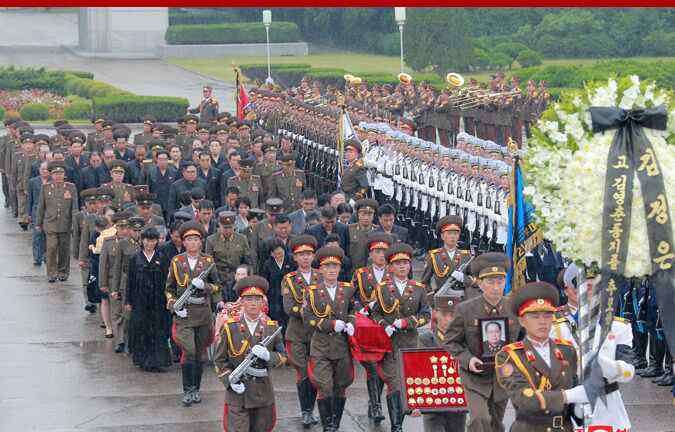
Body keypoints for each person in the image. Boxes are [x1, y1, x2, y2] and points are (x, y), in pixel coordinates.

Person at [551, 264, 636, 431]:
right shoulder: (550, 326)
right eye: (582, 285)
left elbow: (628, 372)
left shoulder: (618, 326)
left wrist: (603, 363)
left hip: (607, 408)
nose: (588, 290)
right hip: (566, 405)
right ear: (567, 289)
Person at [444, 252, 521, 432]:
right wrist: (468, 360)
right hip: (474, 378)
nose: (496, 287)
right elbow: (451, 342)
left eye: (500, 281)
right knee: (479, 419)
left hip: (503, 378)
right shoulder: (465, 309)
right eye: (490, 282)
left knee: (496, 424)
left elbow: (523, 341)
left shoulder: (514, 309)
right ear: (479, 283)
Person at [495, 281, 582, 432]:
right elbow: (524, 398)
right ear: (522, 321)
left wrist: (582, 408)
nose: (542, 322)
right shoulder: (509, 356)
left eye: (547, 315)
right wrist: (568, 396)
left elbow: (575, 394)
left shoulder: (567, 350)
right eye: (535, 316)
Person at [213, 275, 287, 432]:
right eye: (248, 299)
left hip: (262, 393)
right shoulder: (230, 327)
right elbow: (219, 360)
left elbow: (283, 357)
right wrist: (229, 380)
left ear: (263, 302)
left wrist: (268, 356)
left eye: (257, 299)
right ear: (242, 302)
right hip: (238, 394)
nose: (253, 303)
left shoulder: (271, 327)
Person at [370, 242, 430, 432]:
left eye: (405, 263)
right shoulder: (382, 289)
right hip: (389, 344)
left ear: (410, 265)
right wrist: (384, 325)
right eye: (398, 263)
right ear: (390, 267)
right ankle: (396, 426)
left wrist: (407, 322)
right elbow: (376, 313)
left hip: (410, 343)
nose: (402, 266)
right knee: (394, 383)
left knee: (407, 385)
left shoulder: (419, 288)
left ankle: (399, 422)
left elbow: (426, 315)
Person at [165, 221, 221, 407]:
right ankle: (187, 390)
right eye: (189, 239)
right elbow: (169, 288)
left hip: (203, 313)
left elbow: (216, 286)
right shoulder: (177, 261)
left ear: (201, 242)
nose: (192, 242)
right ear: (183, 242)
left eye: (196, 239)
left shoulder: (208, 262)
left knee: (199, 354)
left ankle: (196, 388)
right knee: (188, 351)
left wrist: (204, 286)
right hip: (184, 315)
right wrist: (173, 304)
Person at [303, 246, 356, 432]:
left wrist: (351, 323)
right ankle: (328, 427)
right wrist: (330, 325)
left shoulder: (348, 289)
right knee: (325, 386)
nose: (332, 270)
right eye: (328, 266)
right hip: (321, 346)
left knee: (341, 386)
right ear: (321, 270)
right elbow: (308, 318)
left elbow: (352, 311)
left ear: (340, 268)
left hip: (341, 346)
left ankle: (336, 422)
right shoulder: (312, 292)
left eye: (335, 266)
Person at [351, 232, 394, 424]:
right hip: (367, 326)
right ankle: (376, 405)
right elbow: (351, 296)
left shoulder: (394, 273)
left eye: (384, 251)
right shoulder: (361, 274)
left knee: (384, 366)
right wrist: (361, 308)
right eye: (377, 251)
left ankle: (374, 401)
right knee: (371, 366)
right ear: (370, 254)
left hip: (387, 325)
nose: (380, 255)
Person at [282, 235, 321, 428]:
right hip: (297, 333)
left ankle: (311, 409)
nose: (305, 258)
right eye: (301, 255)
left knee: (314, 373)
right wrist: (308, 310)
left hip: (317, 333)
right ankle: (305, 411)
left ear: (313, 256)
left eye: (308, 254)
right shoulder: (289, 279)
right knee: (303, 373)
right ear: (295, 258)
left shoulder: (321, 276)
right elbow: (289, 307)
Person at [416, 289, 467, 431]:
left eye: (452, 315)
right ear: (435, 313)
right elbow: (420, 370)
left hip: (458, 402)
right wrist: (416, 400)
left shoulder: (464, 340)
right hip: (433, 403)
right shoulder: (426, 339)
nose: (448, 320)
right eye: (444, 314)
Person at [125, 227, 172, 372]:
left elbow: (167, 280)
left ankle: (157, 361)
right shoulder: (135, 258)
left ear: (157, 241)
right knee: (141, 329)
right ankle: (143, 360)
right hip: (140, 300)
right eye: (146, 240)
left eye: (152, 240)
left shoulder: (162, 257)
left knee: (158, 329)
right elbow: (130, 281)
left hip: (158, 300)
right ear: (142, 240)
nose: (149, 243)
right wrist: (128, 301)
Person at [35, 161, 79, 283]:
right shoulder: (46, 188)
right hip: (50, 224)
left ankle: (63, 272)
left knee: (64, 249)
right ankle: (51, 273)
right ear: (51, 175)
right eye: (55, 173)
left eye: (60, 173)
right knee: (52, 248)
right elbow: (41, 207)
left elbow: (75, 207)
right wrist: (38, 224)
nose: (58, 176)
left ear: (64, 174)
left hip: (65, 223)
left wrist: (75, 224)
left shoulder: (71, 187)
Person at [421, 215, 473, 301]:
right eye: (449, 233)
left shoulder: (466, 256)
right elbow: (424, 282)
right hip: (441, 298)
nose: (452, 237)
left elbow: (475, 281)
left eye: (455, 233)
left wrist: (463, 278)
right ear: (442, 236)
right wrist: (431, 297)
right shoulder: (434, 256)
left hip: (462, 299)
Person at [205, 211, 256, 297]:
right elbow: (208, 264)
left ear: (234, 226)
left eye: (230, 227)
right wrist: (215, 281)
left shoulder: (242, 239)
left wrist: (245, 277)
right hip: (219, 281)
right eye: (225, 228)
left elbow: (248, 262)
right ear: (219, 226)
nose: (228, 230)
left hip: (238, 281)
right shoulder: (211, 240)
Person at [260, 237, 295, 331]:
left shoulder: (291, 260)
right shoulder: (267, 264)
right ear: (271, 254)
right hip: (274, 298)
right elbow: (265, 281)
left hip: (290, 296)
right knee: (277, 323)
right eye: (276, 253)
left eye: (281, 252)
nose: (279, 255)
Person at [347, 199, 379, 270]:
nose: (366, 217)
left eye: (370, 214)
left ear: (374, 215)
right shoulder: (349, 229)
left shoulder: (379, 231)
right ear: (358, 214)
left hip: (372, 272)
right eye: (363, 214)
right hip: (353, 271)